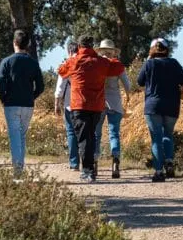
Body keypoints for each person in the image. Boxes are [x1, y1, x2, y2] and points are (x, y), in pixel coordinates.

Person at [58, 35, 126, 182]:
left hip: (79, 105)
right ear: (92, 46)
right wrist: (111, 58)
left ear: (80, 46)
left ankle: (88, 171)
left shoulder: (74, 61)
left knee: (84, 138)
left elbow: (61, 71)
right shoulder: (102, 62)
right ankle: (90, 169)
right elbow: (119, 67)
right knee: (91, 136)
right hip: (96, 106)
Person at [137, 38, 183, 182]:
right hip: (172, 105)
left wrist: (148, 61)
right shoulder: (174, 63)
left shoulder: (149, 64)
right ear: (167, 49)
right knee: (168, 134)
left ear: (152, 49)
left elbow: (140, 81)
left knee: (156, 139)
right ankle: (169, 162)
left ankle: (159, 171)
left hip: (153, 106)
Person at [0, 30, 45, 175]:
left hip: (11, 104)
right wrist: (32, 96)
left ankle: (17, 170)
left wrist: (3, 98)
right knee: (22, 136)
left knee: (14, 137)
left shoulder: (6, 62)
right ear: (28, 44)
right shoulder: (33, 62)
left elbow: (0, 83)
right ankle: (20, 167)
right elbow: (41, 86)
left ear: (14, 43)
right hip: (27, 104)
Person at [95, 39, 132, 180]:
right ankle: (115, 162)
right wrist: (128, 97)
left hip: (98, 102)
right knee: (114, 133)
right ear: (113, 52)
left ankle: (94, 162)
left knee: (96, 134)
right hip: (115, 103)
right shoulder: (117, 66)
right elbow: (127, 86)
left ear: (101, 51)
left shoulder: (97, 65)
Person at [54, 38, 80, 170]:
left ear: (69, 51)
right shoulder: (84, 64)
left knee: (71, 132)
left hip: (70, 104)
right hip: (84, 104)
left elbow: (60, 87)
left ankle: (74, 163)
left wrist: (56, 104)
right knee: (84, 132)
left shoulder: (67, 64)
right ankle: (89, 161)